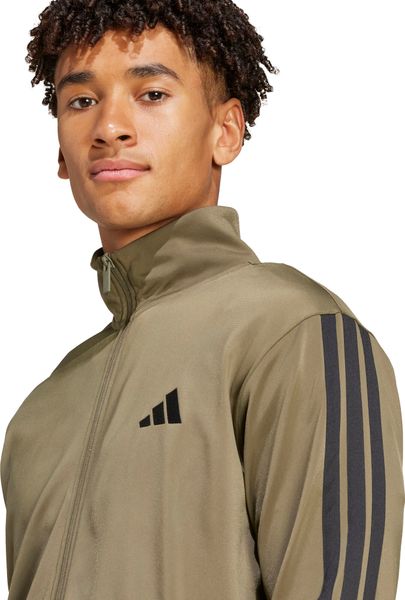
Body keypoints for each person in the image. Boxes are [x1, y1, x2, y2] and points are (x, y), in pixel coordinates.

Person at [1, 0, 403, 598]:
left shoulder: (292, 332)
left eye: (152, 94)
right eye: (81, 101)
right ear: (61, 152)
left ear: (226, 131)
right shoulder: (38, 415)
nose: (109, 127)